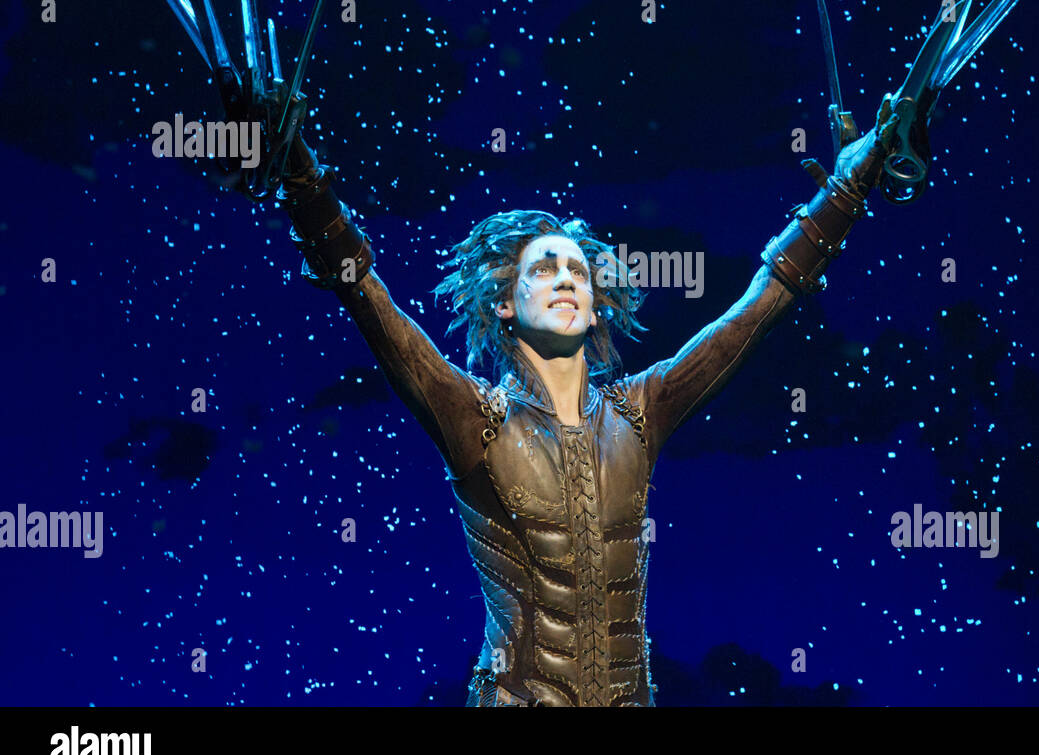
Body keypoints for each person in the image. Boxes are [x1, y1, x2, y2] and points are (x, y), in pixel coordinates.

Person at [274, 95, 925, 706]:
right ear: (504, 302)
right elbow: (367, 300)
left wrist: (848, 186)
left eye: (577, 272)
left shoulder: (641, 411)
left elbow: (763, 301)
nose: (564, 279)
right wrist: (301, 176)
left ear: (594, 305)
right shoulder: (476, 421)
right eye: (542, 269)